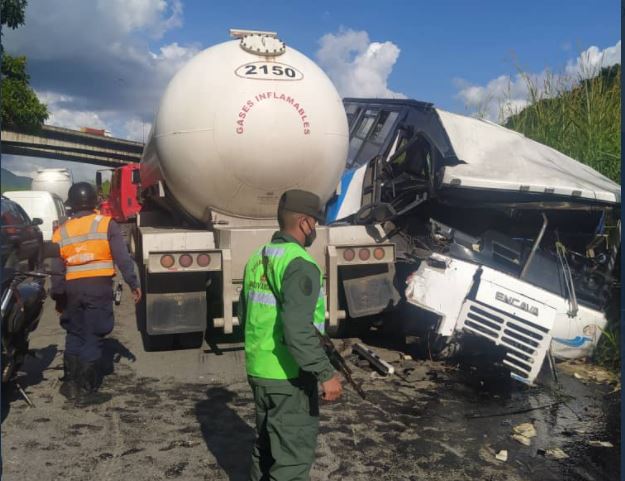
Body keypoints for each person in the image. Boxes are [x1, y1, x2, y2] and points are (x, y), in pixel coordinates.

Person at [240, 189, 343, 481]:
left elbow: (244, 315)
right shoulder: (300, 264)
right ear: (305, 222)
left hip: (260, 370)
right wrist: (325, 373)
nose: (316, 231)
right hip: (288, 376)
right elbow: (297, 329)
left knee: (266, 447)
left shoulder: (257, 257)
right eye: (316, 224)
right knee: (292, 461)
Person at [50, 182, 141, 404]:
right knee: (93, 334)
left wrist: (59, 296)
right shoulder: (106, 224)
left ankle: (70, 384)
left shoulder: (60, 231)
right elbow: (122, 257)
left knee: (74, 332)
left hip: (72, 289)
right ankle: (87, 390)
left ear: (71, 205)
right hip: (97, 288)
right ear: (94, 202)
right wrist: (133, 282)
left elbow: (55, 268)